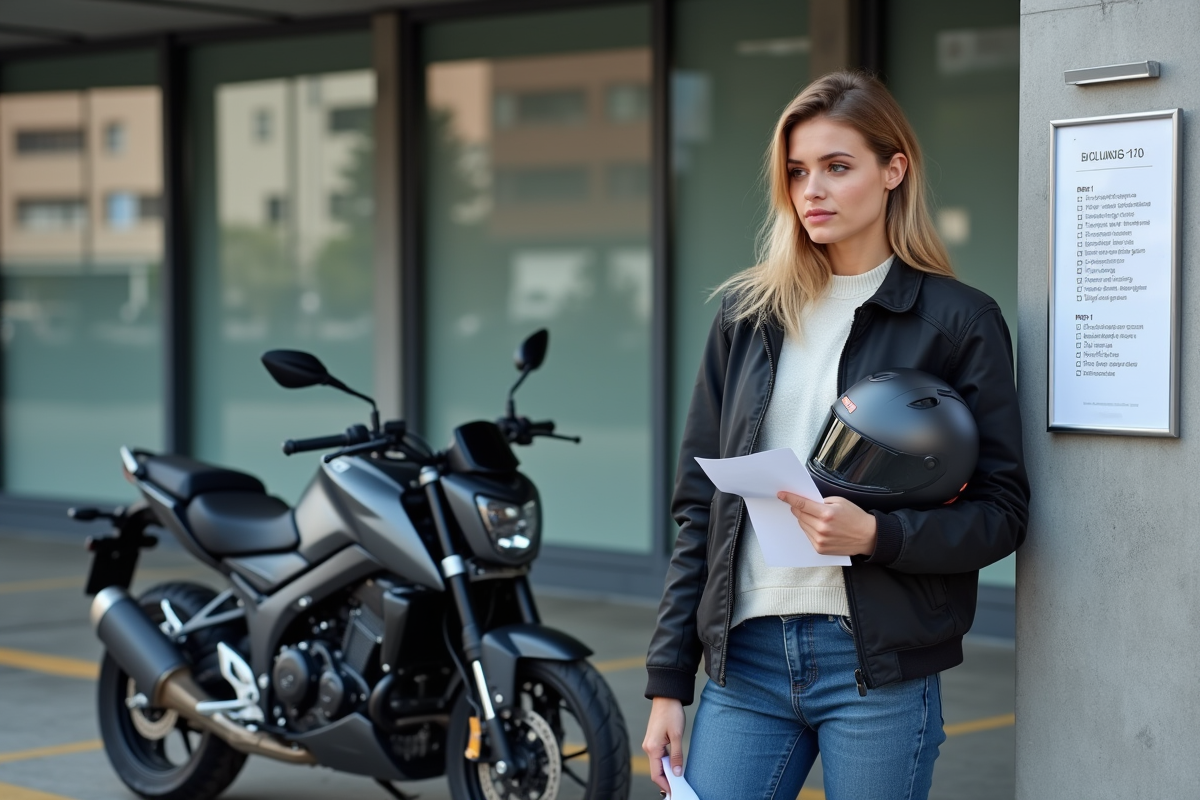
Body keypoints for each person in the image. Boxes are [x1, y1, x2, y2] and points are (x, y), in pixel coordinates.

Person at [641, 71, 1029, 800]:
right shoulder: (746, 316)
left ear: (893, 170)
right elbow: (702, 506)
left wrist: (877, 536)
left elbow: (1003, 512)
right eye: (796, 172)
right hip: (746, 657)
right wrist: (668, 682)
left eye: (836, 167)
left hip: (874, 663)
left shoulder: (957, 321)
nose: (810, 189)